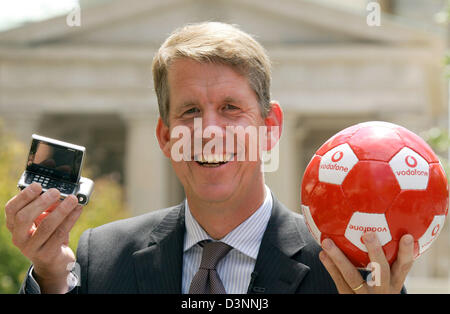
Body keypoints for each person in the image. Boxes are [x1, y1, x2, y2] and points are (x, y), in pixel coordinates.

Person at [5, 22, 414, 294]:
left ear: (270, 128)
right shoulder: (105, 257)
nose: (209, 131)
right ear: (165, 136)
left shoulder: (345, 267)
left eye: (231, 108)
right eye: (190, 111)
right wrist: (52, 273)